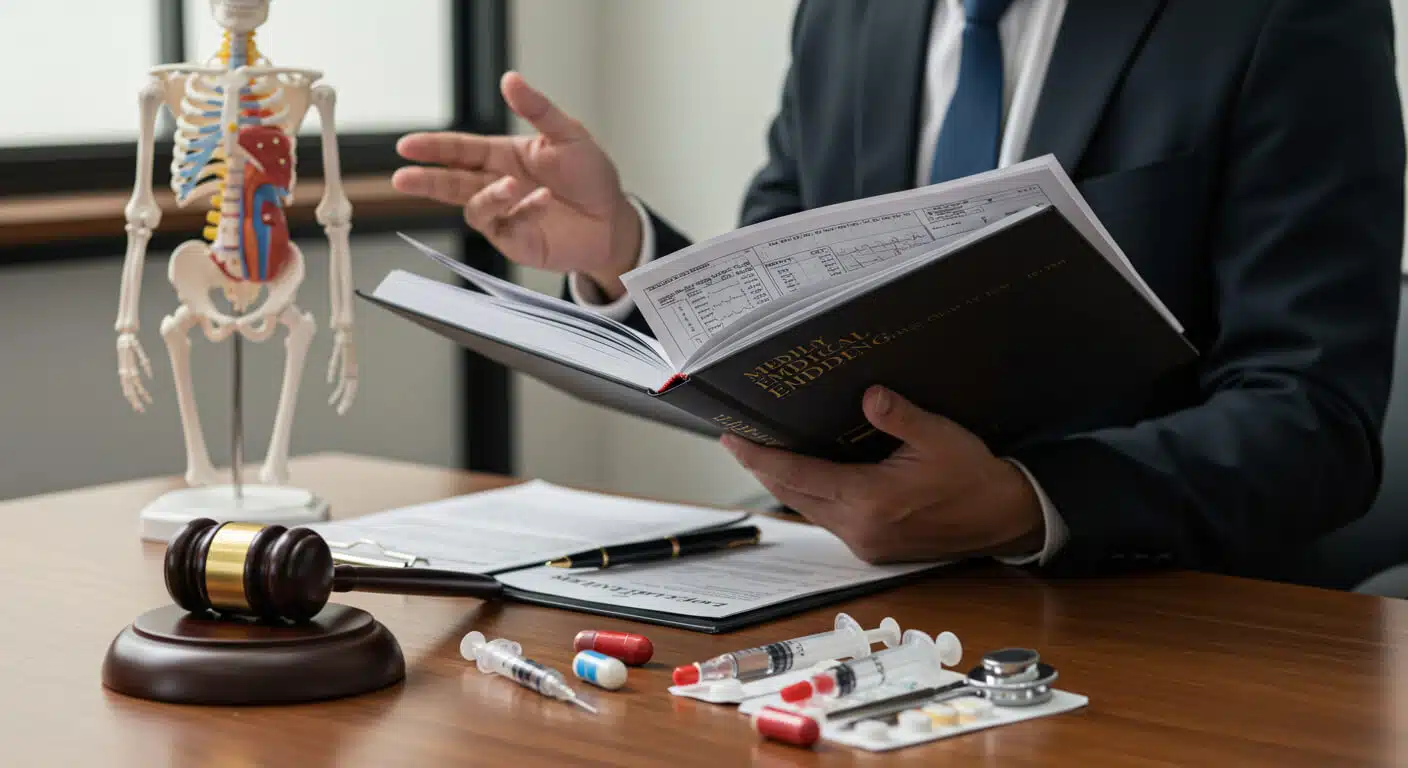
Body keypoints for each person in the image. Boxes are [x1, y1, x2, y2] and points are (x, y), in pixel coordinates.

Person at [391, 0, 1405, 578]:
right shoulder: (846, 15)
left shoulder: (1283, 14)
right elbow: (778, 332)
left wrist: (1021, 504)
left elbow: (1312, 420)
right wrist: (621, 251)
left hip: (1153, 603)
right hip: (846, 582)